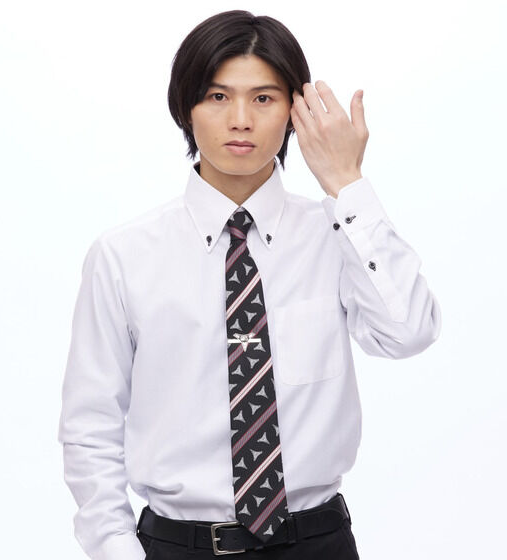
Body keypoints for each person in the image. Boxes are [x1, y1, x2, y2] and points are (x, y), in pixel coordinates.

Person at [57, 10, 441, 560]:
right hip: (177, 545)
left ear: (294, 110)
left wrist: (346, 184)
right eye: (217, 96)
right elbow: (90, 422)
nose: (240, 120)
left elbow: (408, 334)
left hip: (317, 543)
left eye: (263, 98)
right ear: (185, 107)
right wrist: (117, 549)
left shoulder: (339, 235)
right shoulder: (123, 256)